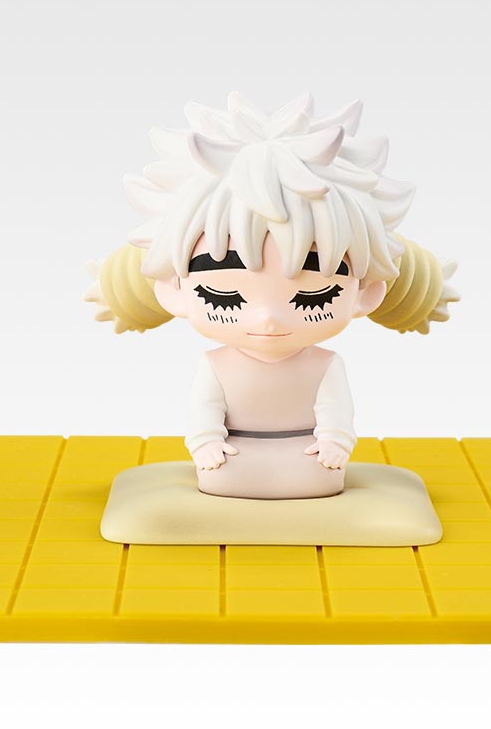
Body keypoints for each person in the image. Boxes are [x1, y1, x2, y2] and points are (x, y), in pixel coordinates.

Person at [85, 92, 459, 499]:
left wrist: (335, 442)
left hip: (308, 454)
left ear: (365, 294)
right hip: (231, 455)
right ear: (174, 293)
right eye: (222, 297)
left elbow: (335, 411)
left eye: (314, 298)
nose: (267, 319)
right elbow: (204, 411)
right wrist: (206, 443)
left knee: (317, 478)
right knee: (223, 478)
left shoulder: (325, 365)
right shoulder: (215, 365)